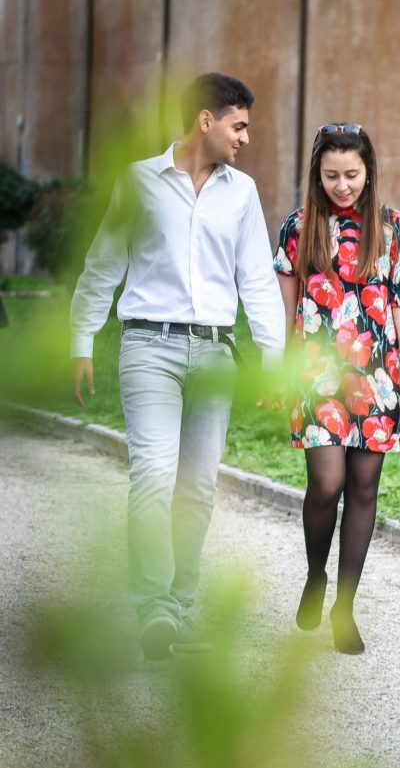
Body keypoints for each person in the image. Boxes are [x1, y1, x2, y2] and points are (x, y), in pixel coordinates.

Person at [70, 73, 286, 660]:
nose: (245, 138)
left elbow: (257, 281)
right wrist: (81, 341)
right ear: (205, 121)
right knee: (153, 473)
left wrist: (272, 358)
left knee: (197, 485)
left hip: (215, 352)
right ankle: (153, 608)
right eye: (239, 126)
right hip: (148, 347)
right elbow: (104, 264)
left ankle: (180, 606)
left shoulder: (242, 193)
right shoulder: (138, 181)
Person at [273, 123, 400, 655]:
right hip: (315, 377)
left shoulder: (394, 229)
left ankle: (344, 607)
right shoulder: (299, 228)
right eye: (331, 175)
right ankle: (316, 575)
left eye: (352, 175)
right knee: (327, 483)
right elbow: (284, 310)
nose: (342, 185)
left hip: (378, 376)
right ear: (317, 173)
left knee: (363, 487)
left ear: (369, 172)